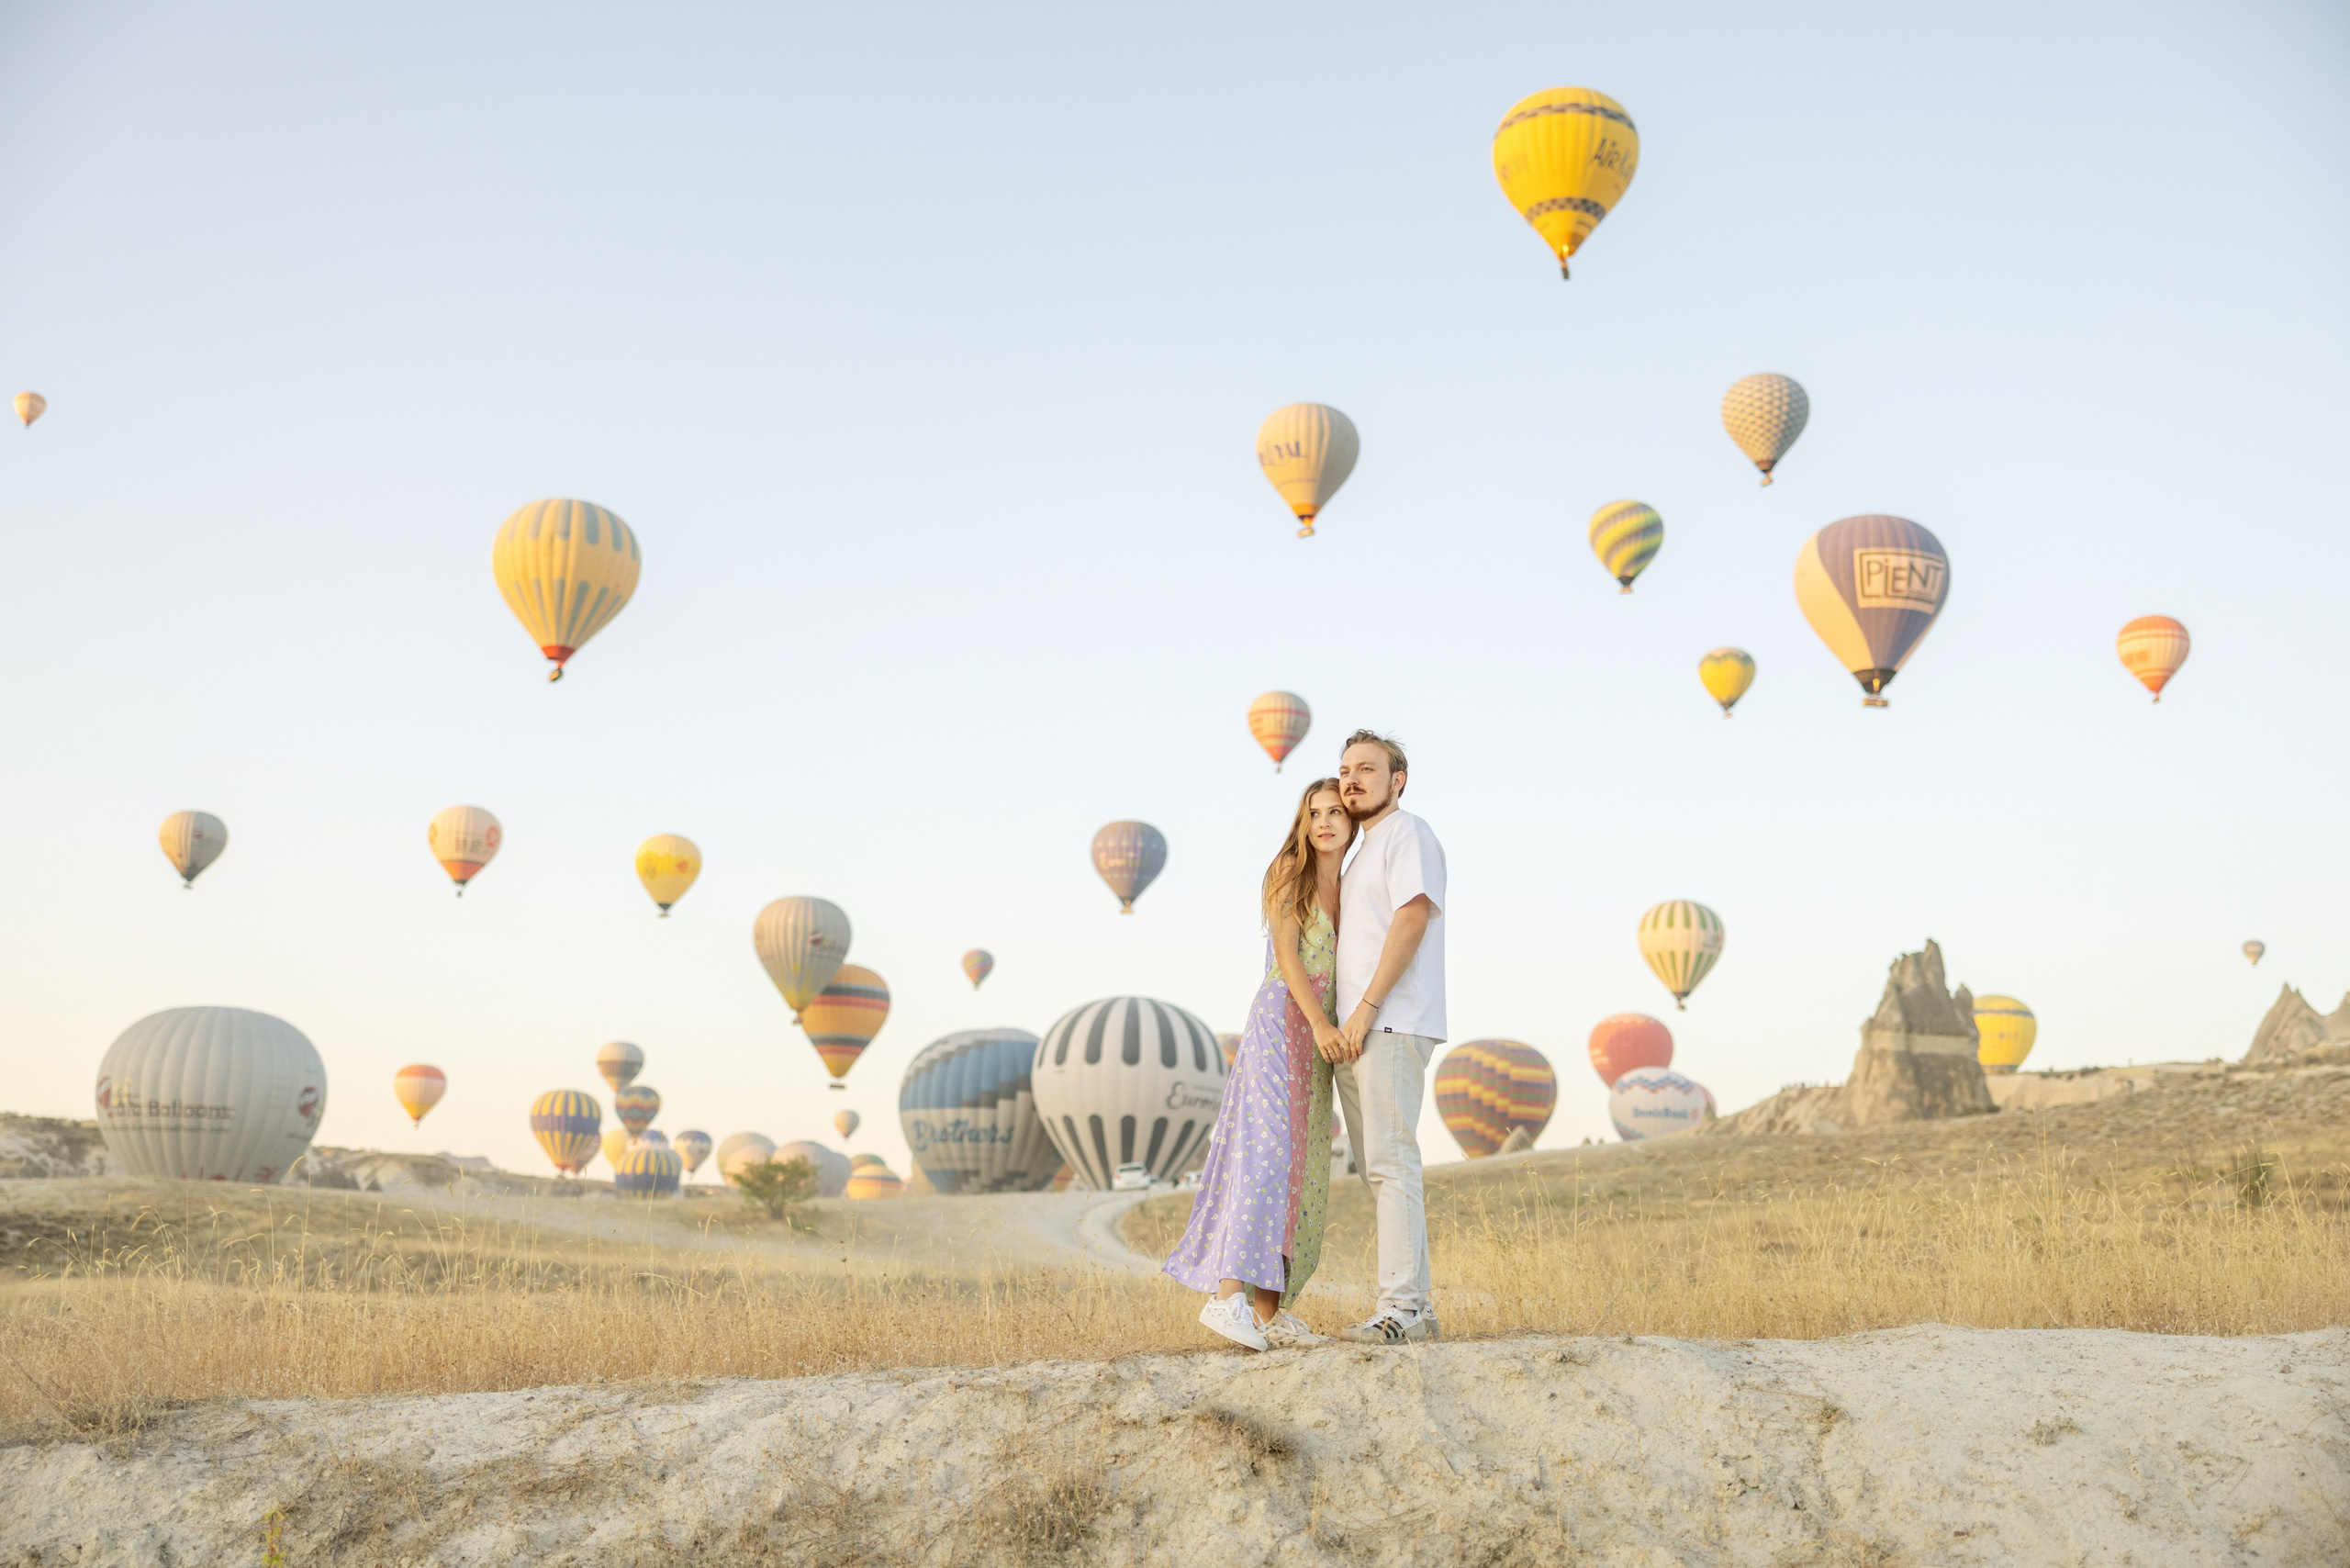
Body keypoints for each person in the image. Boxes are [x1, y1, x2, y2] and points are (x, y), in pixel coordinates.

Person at [1162, 777, 1355, 1350]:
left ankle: (1270, 1313)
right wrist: (1321, 1025)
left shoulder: (1353, 886)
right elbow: (1289, 958)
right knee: (1267, 1155)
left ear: (1351, 823)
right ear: (1303, 821)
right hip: (1282, 1020)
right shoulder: (1286, 875)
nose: (1324, 821)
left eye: (1335, 812)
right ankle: (1227, 1298)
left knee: (1303, 1168)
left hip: (1317, 1036)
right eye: (1314, 812)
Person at [1331, 729, 1446, 1344]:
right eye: (1345, 769)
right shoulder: (1359, 854)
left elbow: (1413, 915)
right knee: (1380, 1168)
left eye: (1367, 769)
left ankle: (1400, 1308)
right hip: (1358, 1031)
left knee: (1392, 1163)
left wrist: (1369, 1006)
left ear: (1397, 780)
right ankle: (1416, 1309)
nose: (1352, 779)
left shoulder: (1408, 833)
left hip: (1391, 1021)